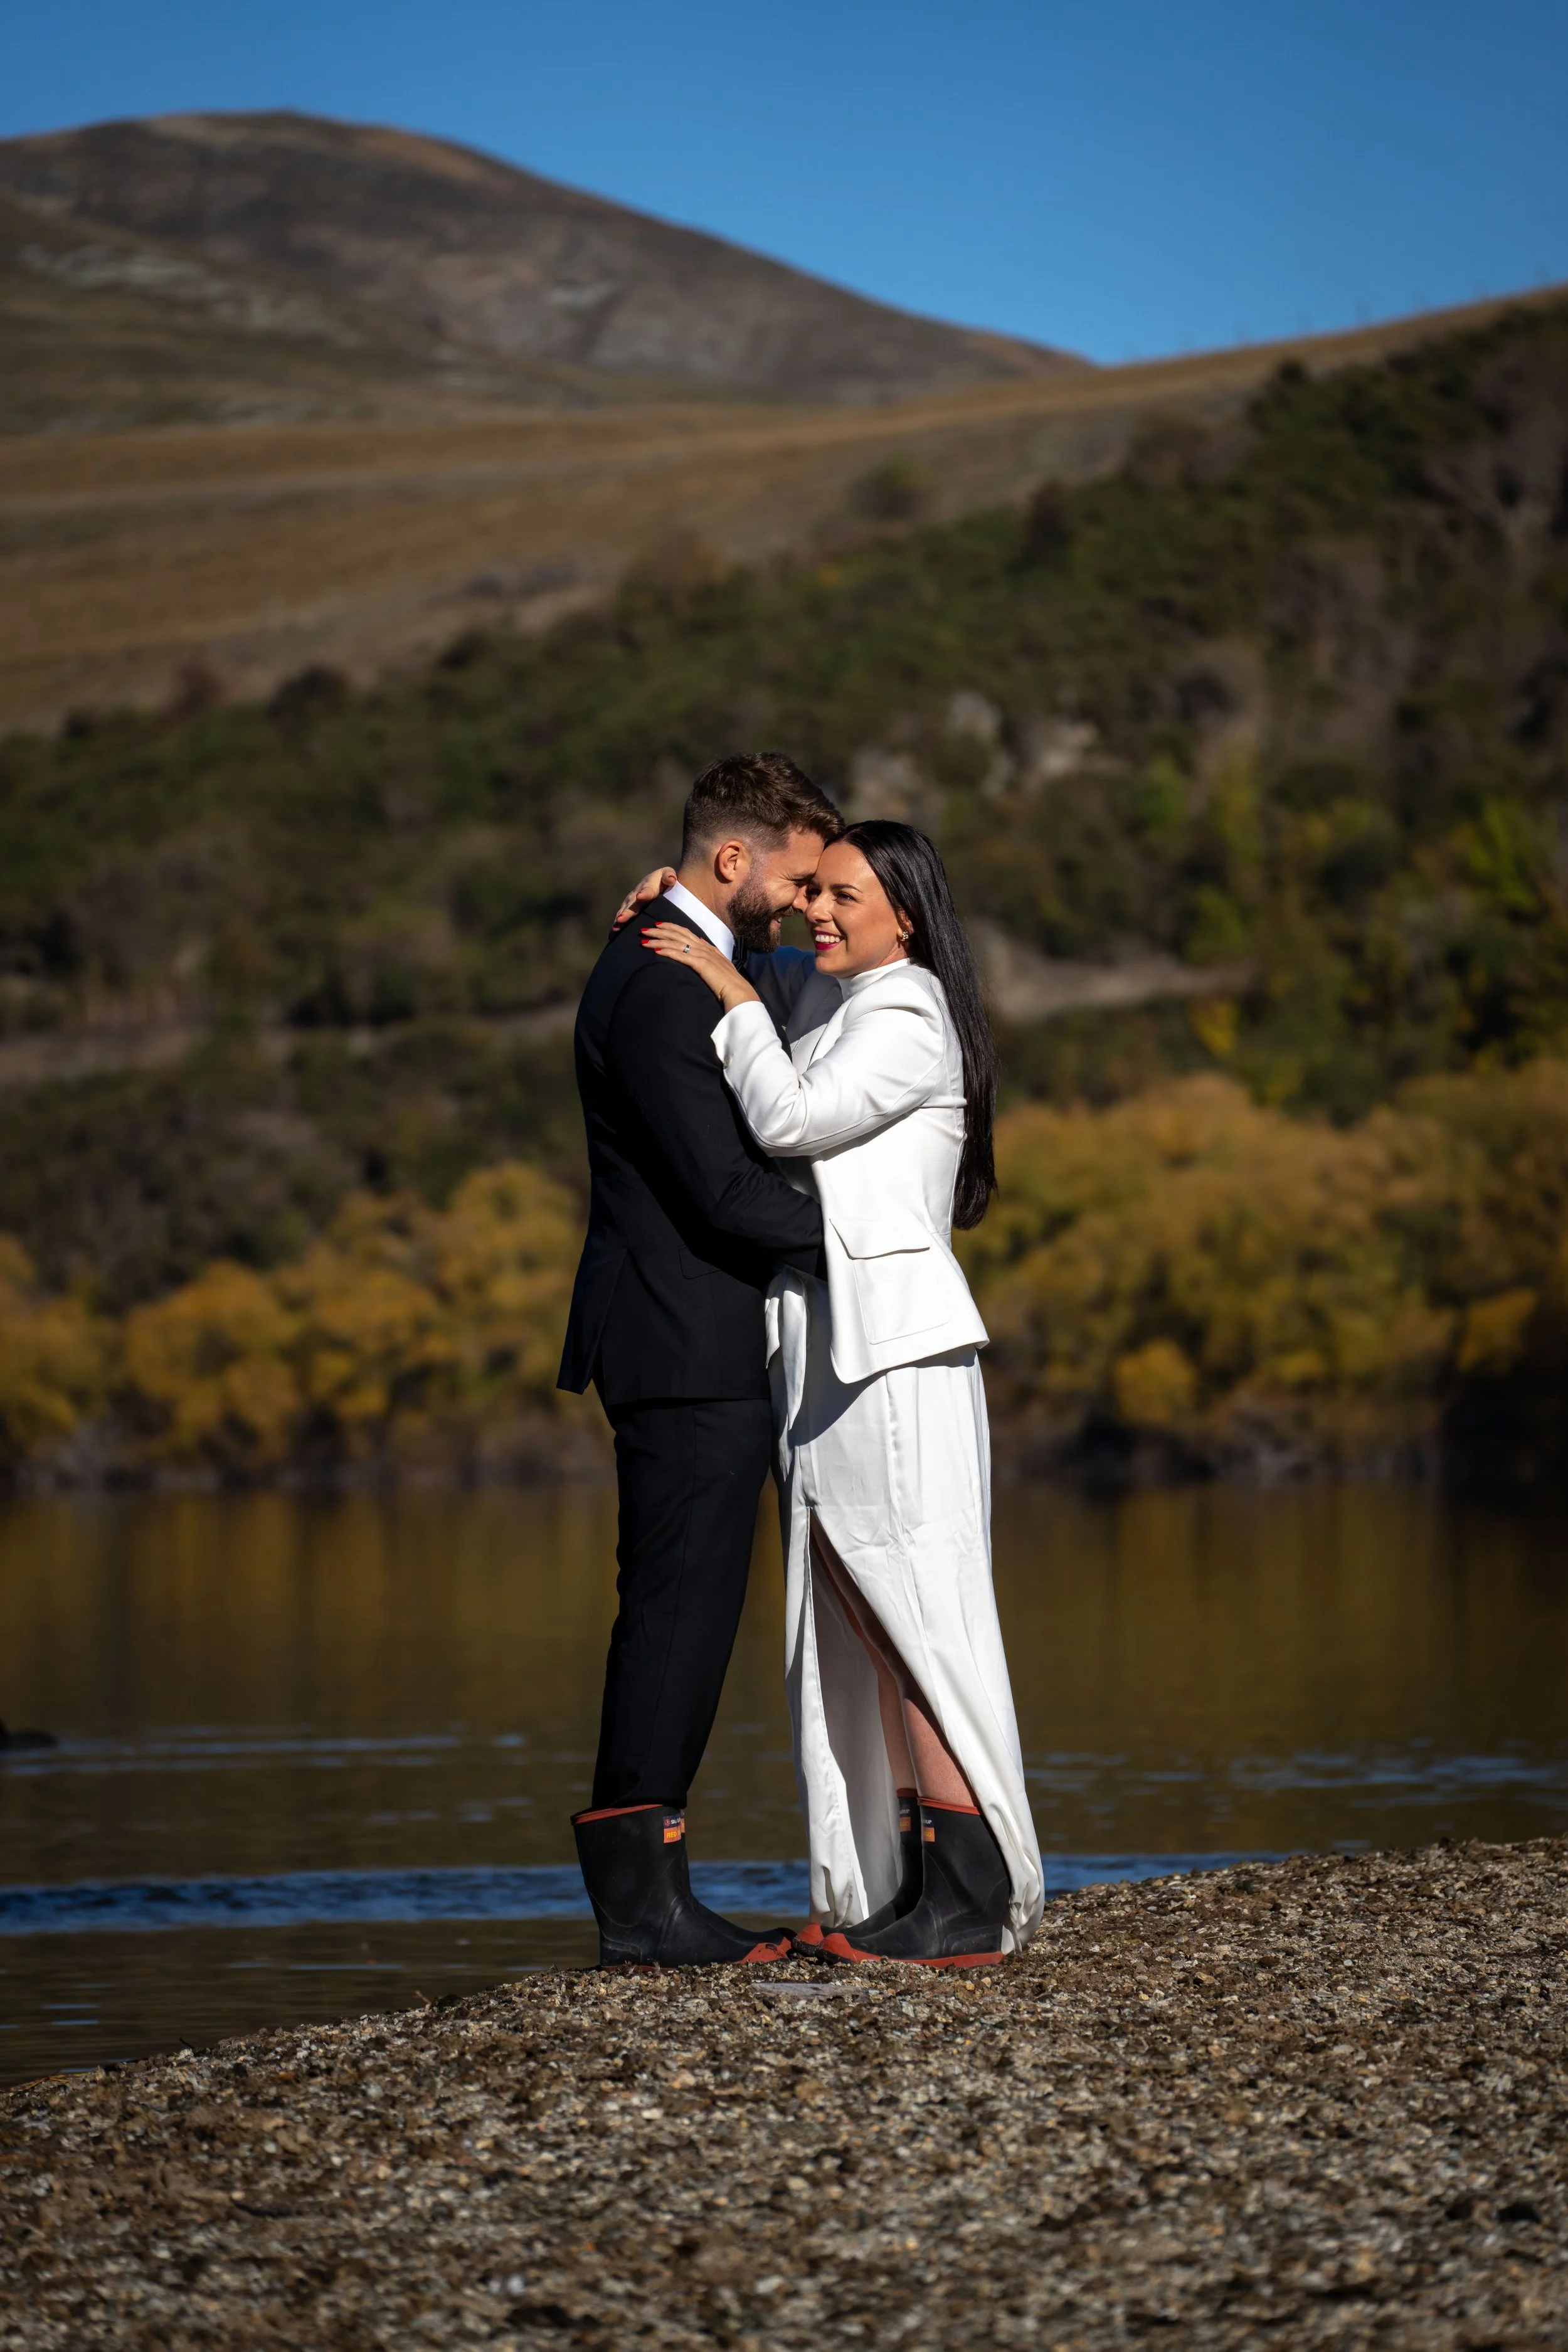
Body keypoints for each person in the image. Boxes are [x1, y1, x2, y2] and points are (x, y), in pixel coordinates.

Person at [635, 819, 1042, 1967]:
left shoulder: (909, 1011)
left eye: (844, 894)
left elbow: (789, 1117)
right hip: (830, 1355)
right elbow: (777, 985)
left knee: (910, 1615)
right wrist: (689, 907)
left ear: (904, 913)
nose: (818, 909)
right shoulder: (843, 1002)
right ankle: (924, 1878)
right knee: (865, 1617)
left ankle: (968, 1891)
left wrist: (725, 986)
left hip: (896, 1358)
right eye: (810, 890)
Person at [558, 751, 843, 1967]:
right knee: (675, 1616)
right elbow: (722, 1195)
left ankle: (652, 1898)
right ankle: (643, 1914)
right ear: (733, 857)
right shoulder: (660, 986)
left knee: (687, 1612)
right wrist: (879, 1240)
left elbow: (800, 971)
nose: (799, 901)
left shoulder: (687, 959)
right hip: (678, 1346)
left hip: (693, 1340)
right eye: (788, 874)